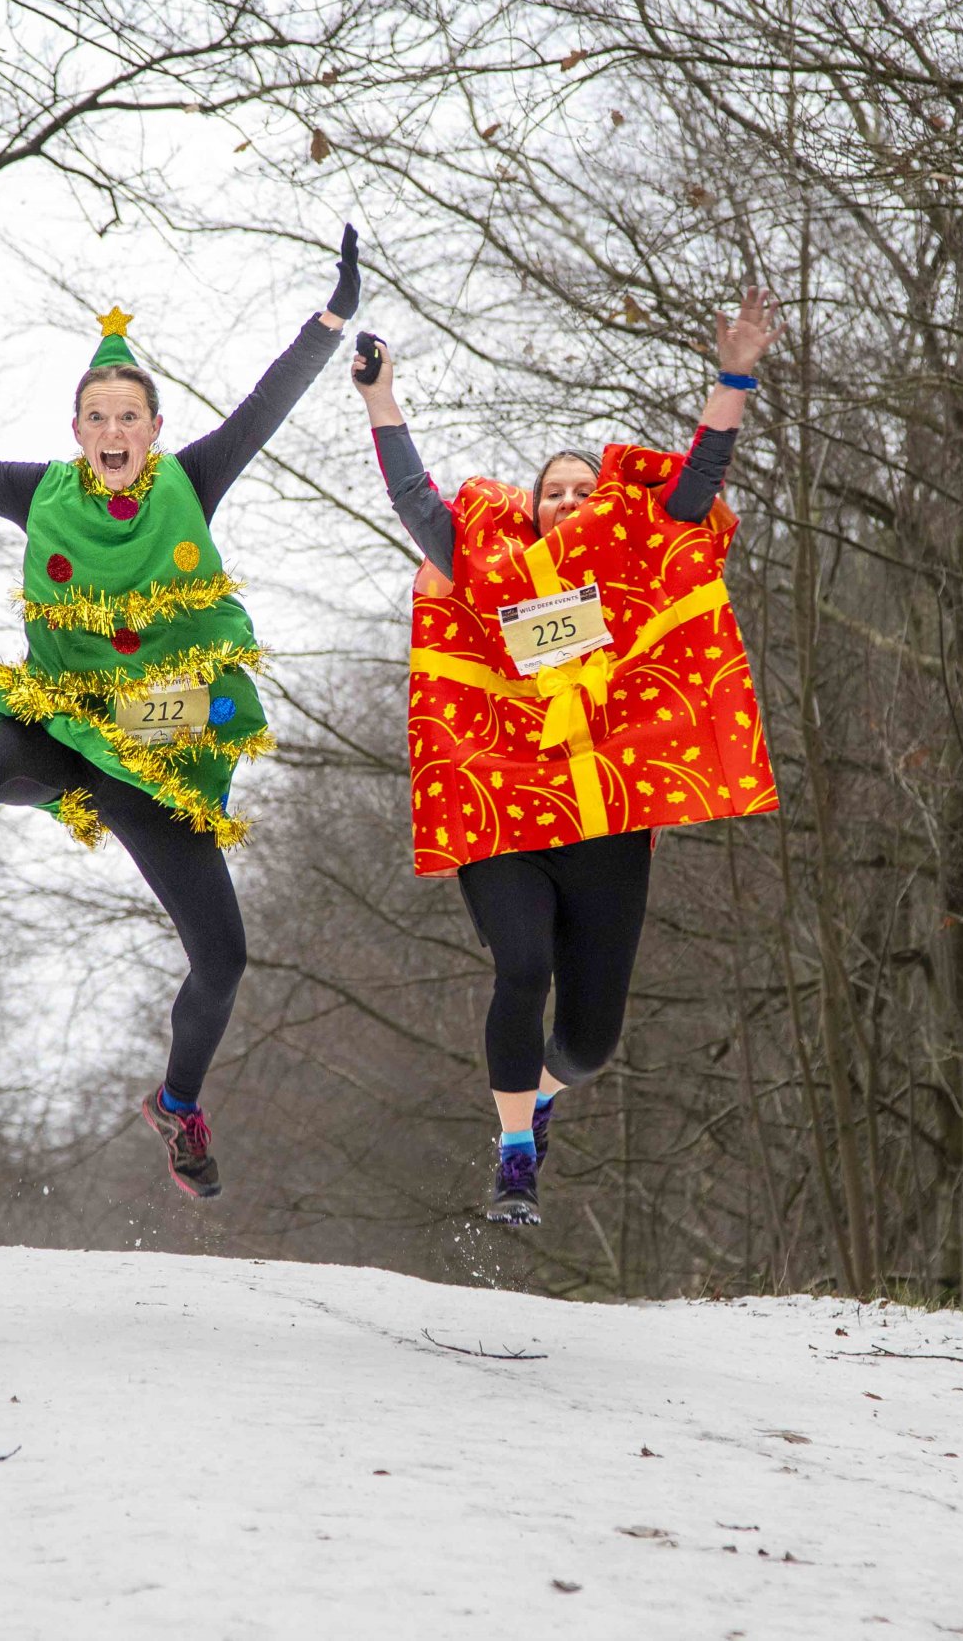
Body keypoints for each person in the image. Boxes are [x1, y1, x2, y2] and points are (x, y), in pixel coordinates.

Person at [0, 226, 362, 1200]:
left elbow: (265, 406)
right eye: (97, 416)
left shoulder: (191, 482)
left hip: (155, 754)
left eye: (129, 415)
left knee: (223, 961)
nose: (113, 430)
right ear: (78, 430)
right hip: (61, 726)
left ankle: (177, 1105)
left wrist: (331, 319)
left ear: (153, 430)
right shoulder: (37, 493)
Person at [352, 287, 781, 1223]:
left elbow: (697, 482)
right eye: (555, 491)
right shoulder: (486, 563)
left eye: (587, 490)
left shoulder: (637, 555)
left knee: (587, 1044)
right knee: (521, 968)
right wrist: (381, 398)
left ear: (610, 505)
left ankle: (540, 1096)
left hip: (607, 818)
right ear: (532, 508)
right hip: (505, 810)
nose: (572, 501)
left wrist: (735, 374)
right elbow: (417, 500)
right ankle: (514, 1161)